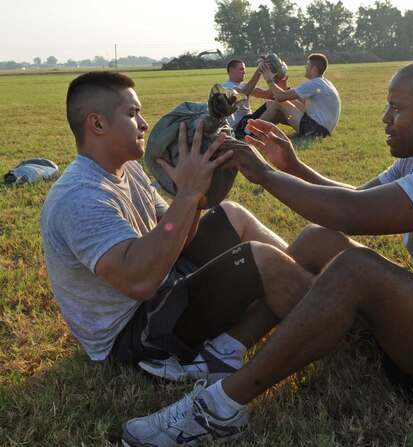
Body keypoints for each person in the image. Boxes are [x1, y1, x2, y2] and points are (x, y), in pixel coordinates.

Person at [121, 60, 413, 447]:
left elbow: (352, 214)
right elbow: (355, 197)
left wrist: (265, 175)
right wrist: (292, 167)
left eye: (396, 109)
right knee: (320, 238)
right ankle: (224, 351)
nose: (385, 119)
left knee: (357, 267)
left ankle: (220, 409)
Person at [40, 71, 314, 389]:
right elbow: (140, 282)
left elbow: (173, 235)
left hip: (162, 285)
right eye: (132, 114)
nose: (143, 124)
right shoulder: (80, 197)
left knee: (232, 214)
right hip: (132, 333)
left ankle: (309, 286)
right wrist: (186, 195)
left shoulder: (127, 169)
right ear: (97, 124)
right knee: (259, 259)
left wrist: (196, 199)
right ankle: (336, 315)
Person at [257, 52, 341, 137]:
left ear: (314, 69)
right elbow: (301, 104)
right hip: (321, 130)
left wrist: (269, 79)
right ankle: (260, 128)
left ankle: (251, 130)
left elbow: (280, 97)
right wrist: (285, 90)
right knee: (274, 105)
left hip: (316, 130)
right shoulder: (324, 82)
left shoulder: (314, 83)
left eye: (307, 65)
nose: (305, 67)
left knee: (278, 103)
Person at [221, 58, 275, 139]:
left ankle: (298, 124)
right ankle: (248, 131)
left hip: (248, 119)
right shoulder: (226, 87)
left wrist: (276, 78)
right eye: (241, 69)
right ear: (231, 70)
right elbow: (244, 94)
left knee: (276, 103)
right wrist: (258, 72)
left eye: (244, 69)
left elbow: (268, 95)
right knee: (271, 104)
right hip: (239, 126)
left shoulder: (244, 85)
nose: (244, 72)